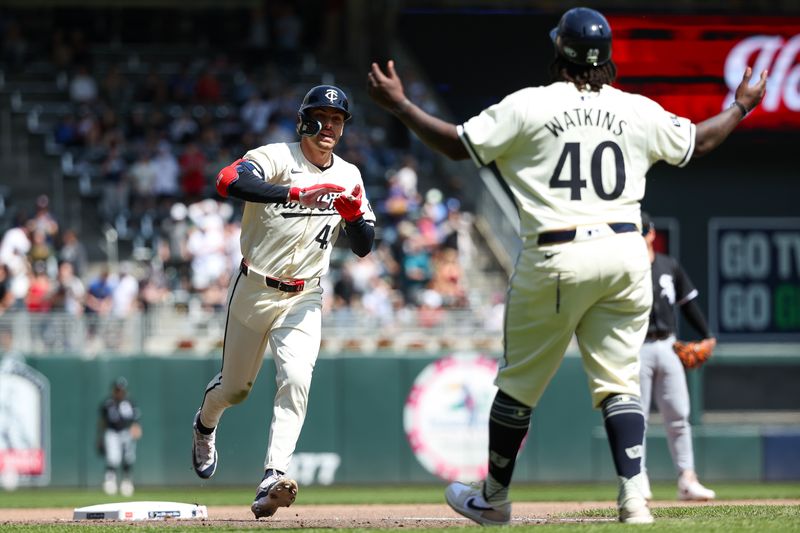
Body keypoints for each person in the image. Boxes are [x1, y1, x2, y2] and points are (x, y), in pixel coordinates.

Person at [367, 6, 766, 525]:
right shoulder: (635, 109)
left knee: (518, 386)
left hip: (557, 253)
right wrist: (739, 106)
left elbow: (456, 144)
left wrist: (401, 106)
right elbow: (701, 140)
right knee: (621, 383)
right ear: (607, 58)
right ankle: (633, 500)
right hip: (626, 256)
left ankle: (493, 498)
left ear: (560, 51)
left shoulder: (530, 105)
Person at [191, 84, 375, 519]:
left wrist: (352, 216)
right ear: (304, 119)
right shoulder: (277, 157)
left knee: (296, 377)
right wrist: (295, 194)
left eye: (337, 120)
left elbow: (365, 245)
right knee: (235, 388)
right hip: (254, 286)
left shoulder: (349, 174)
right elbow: (227, 180)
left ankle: (273, 475)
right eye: (322, 117)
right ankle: (204, 425)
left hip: (305, 295)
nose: (329, 126)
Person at [638, 212, 716, 501]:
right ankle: (637, 478)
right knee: (637, 418)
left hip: (669, 344)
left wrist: (706, 334)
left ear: (651, 233)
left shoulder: (667, 265)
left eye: (642, 231)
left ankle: (687, 479)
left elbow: (689, 303)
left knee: (679, 416)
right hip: (637, 347)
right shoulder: (625, 270)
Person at [97, 377, 142, 496]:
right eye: (117, 390)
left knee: (128, 457)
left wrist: (136, 427)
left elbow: (136, 419)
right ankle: (110, 480)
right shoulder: (107, 404)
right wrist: (100, 437)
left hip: (126, 432)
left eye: (121, 390)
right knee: (113, 458)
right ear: (113, 390)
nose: (119, 392)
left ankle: (127, 481)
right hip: (112, 432)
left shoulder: (130, 403)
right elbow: (102, 422)